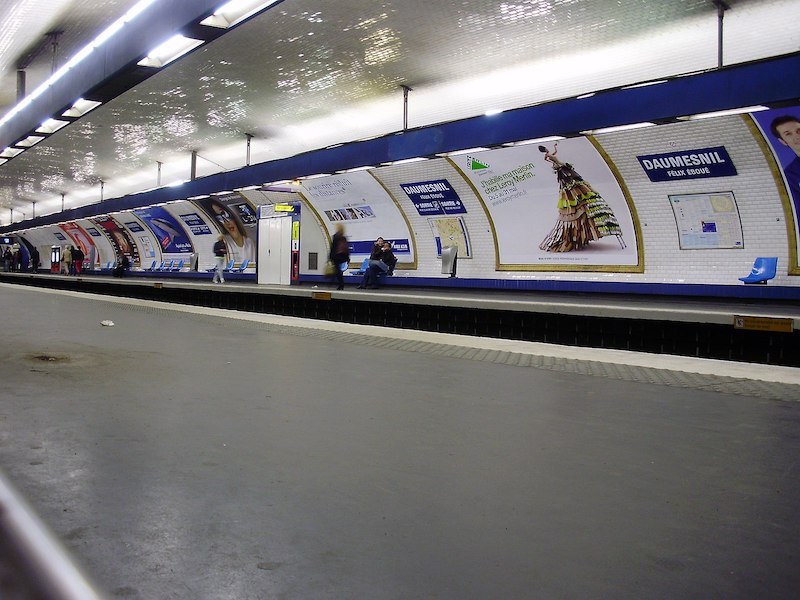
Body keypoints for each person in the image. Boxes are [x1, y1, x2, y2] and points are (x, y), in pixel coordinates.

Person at [537, 143, 625, 252]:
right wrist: (559, 164)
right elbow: (556, 160)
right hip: (565, 173)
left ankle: (581, 234)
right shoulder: (551, 156)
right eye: (546, 149)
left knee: (576, 192)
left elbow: (551, 157)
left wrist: (554, 158)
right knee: (576, 191)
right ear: (545, 149)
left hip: (563, 173)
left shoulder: (548, 155)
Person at [770, 115, 800, 219]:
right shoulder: (790, 174)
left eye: (798, 130)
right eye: (788, 134)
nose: (797, 136)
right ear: (783, 141)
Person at [329, 223, 350, 290]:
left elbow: (333, 247)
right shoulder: (343, 237)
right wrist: (347, 257)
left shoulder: (336, 236)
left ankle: (340, 285)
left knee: (337, 271)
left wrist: (330, 256)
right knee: (338, 271)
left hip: (336, 256)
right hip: (343, 256)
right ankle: (340, 284)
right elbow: (346, 248)